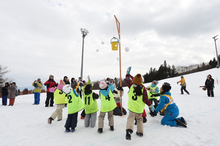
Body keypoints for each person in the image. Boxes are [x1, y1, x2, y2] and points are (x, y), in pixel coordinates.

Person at [125, 67, 154, 140]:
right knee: (139, 119)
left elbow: (128, 80)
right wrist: (150, 105)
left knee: (131, 118)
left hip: (132, 107)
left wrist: (127, 73)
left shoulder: (131, 86)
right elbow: (146, 99)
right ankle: (140, 132)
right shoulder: (143, 89)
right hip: (139, 108)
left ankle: (129, 130)